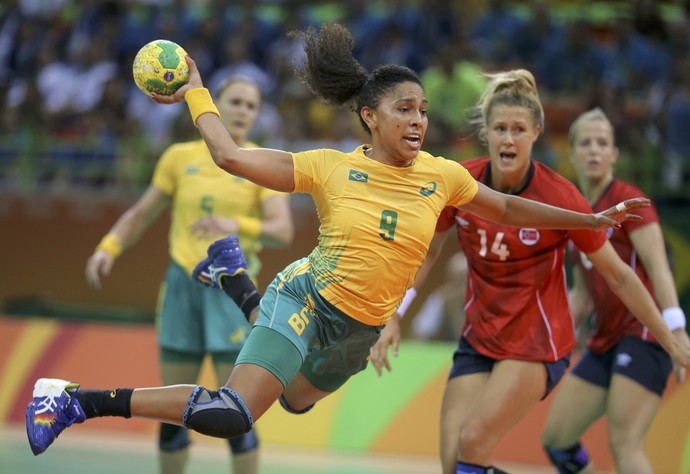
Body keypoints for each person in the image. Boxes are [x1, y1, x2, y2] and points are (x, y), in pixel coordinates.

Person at [26, 23, 687, 466]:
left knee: (296, 399)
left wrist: (590, 224)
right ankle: (76, 399)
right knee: (234, 415)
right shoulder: (328, 166)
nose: (420, 120)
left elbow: (511, 205)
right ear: (370, 116)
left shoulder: (444, 176)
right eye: (406, 110)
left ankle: (234, 280)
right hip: (307, 298)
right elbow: (227, 155)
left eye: (424, 111)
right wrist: (197, 84)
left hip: (357, 332)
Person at [368, 69, 690, 474]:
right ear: (485, 133)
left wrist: (669, 335)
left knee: (473, 441)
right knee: (453, 465)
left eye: (518, 129)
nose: (509, 138)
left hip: (536, 345)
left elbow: (620, 275)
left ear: (536, 132)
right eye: (500, 128)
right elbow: (427, 252)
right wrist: (394, 313)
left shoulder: (560, 197)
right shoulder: (461, 181)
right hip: (479, 338)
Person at [84, 75, 294, 474]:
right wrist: (108, 247)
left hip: (233, 295)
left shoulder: (259, 161)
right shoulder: (178, 157)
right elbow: (141, 213)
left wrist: (234, 223)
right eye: (235, 102)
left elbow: (282, 231)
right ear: (215, 104)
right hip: (182, 288)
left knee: (237, 411)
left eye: (251, 105)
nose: (243, 111)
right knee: (171, 411)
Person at [541, 108, 690, 474]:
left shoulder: (629, 198)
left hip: (644, 335)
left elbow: (660, 268)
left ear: (613, 155)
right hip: (605, 341)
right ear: (572, 154)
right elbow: (584, 296)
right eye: (586, 143)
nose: (594, 150)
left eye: (602, 143)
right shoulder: (578, 215)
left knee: (625, 443)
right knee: (557, 441)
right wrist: (548, 339)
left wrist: (677, 329)